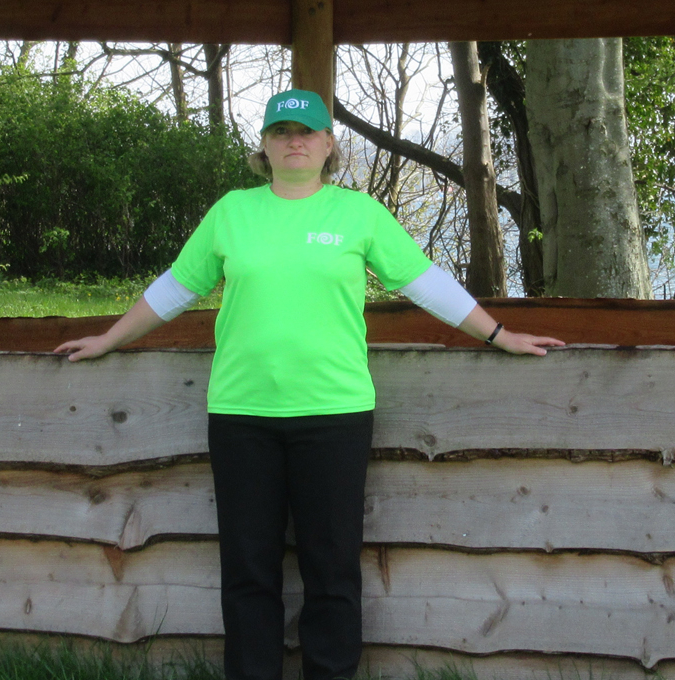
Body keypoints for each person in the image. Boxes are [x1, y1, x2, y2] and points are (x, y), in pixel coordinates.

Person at [54, 88, 562, 680]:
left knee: (332, 570)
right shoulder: (231, 213)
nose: (295, 140)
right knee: (249, 571)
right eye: (282, 131)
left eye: (307, 131)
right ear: (264, 147)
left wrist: (498, 333)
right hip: (242, 416)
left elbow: (425, 282)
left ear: (328, 145)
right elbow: (175, 288)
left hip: (335, 416)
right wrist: (108, 339)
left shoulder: (358, 215)